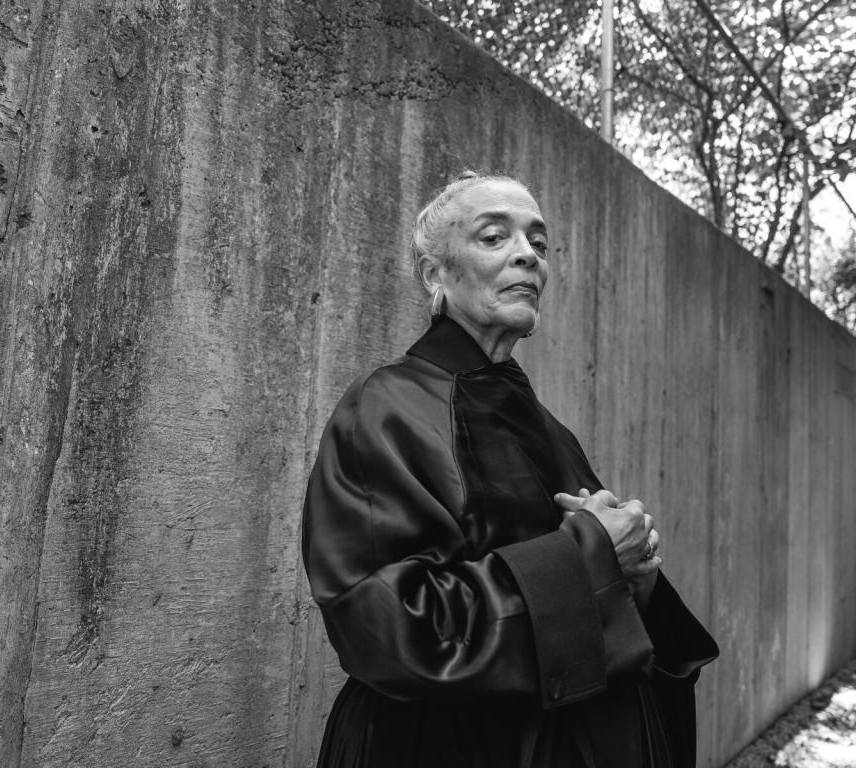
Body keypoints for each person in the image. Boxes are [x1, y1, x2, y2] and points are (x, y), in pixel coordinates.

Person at [301, 171, 719, 768]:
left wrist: (636, 577)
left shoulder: (546, 425)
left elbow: (609, 593)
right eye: (494, 237)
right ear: (436, 275)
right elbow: (386, 626)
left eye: (540, 244)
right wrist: (590, 557)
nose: (529, 255)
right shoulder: (387, 406)